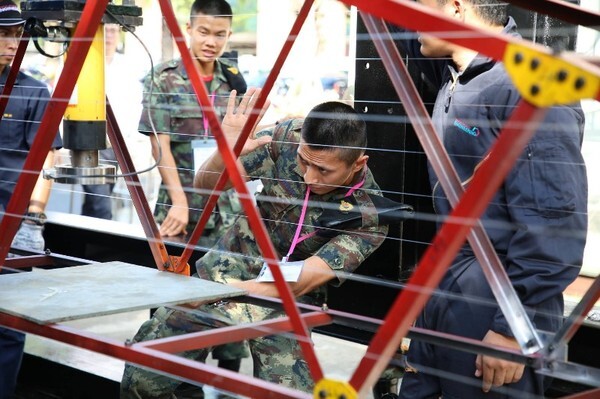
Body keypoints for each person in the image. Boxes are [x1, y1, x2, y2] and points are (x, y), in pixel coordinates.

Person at [120, 87, 390, 397]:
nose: (309, 177)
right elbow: (205, 185)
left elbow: (298, 284)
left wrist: (211, 294)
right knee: (143, 375)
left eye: (323, 170)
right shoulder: (286, 139)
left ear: (358, 164)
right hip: (227, 268)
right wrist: (227, 152)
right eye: (304, 162)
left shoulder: (368, 214)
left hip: (281, 303)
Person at [396, 1, 587, 398]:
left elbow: (553, 223)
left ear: (454, 7)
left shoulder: (526, 88)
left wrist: (514, 329)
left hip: (498, 308)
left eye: (418, 6)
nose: (409, 20)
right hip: (448, 293)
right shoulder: (459, 79)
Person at [139, 0, 247, 242]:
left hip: (227, 208)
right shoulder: (163, 79)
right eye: (204, 32)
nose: (211, 42)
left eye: (220, 35)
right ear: (189, 28)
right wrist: (179, 202)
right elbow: (159, 145)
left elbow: (238, 135)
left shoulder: (233, 80)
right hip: (183, 209)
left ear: (229, 34)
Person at [0, 1, 62, 397]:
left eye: (17, 34)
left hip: (10, 221)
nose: (12, 43)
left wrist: (34, 219)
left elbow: (46, 158)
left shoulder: (34, 91)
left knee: (7, 327)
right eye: (4, 34)